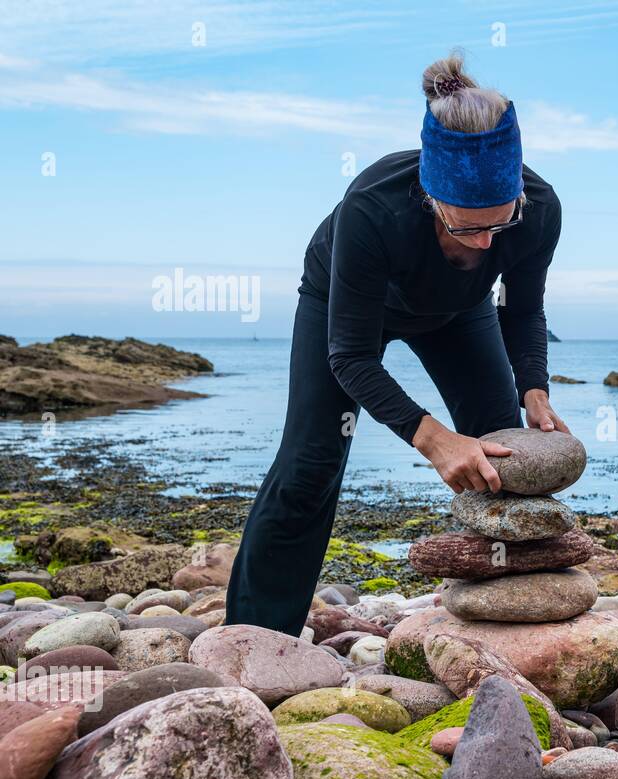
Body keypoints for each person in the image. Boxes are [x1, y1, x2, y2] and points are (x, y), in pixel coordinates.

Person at [226, 52, 567, 635]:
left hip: (459, 312)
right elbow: (351, 356)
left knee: (499, 451)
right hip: (349, 306)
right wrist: (434, 442)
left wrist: (534, 388)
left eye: (499, 223)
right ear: (431, 198)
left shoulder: (537, 210)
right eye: (467, 226)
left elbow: (523, 305)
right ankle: (255, 639)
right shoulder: (372, 209)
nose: (486, 243)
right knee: (312, 462)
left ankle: (507, 627)